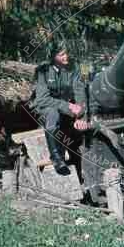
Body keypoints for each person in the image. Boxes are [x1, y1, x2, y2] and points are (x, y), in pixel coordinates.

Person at [31, 40, 88, 174]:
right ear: (53, 57)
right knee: (53, 115)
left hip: (68, 108)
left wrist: (81, 115)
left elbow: (80, 92)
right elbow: (42, 99)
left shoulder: (74, 68)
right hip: (46, 107)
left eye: (66, 53)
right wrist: (67, 106)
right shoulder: (42, 71)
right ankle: (57, 158)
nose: (66, 57)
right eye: (62, 54)